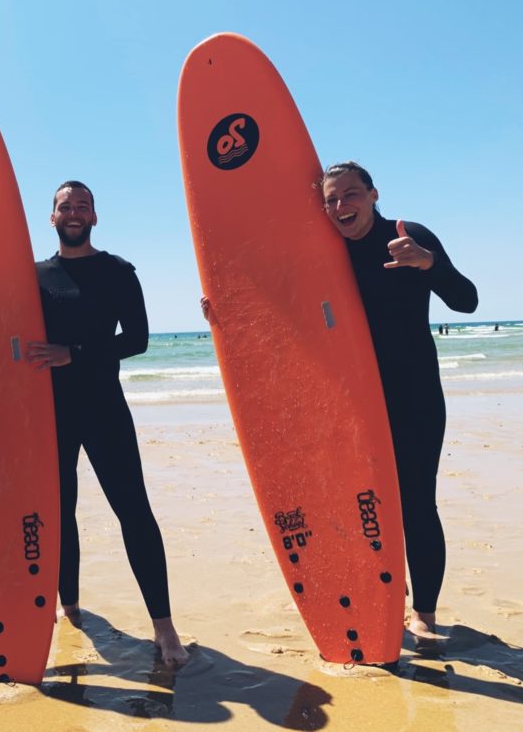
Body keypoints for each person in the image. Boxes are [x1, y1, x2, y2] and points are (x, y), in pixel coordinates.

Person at [201, 161, 477, 642]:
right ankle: (379, 597)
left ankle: (425, 615)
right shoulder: (324, 252)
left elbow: (467, 301)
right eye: (330, 200)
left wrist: (427, 263)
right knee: (360, 505)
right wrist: (225, 313)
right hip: (350, 403)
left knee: (415, 504)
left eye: (350, 194)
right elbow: (283, 315)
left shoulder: (406, 235)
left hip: (414, 396)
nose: (340, 206)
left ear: (373, 194)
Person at [25, 180, 189, 668]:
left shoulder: (118, 271)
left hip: (103, 406)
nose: (73, 212)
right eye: (64, 206)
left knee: (133, 510)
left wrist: (71, 354)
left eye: (82, 206)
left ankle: (165, 627)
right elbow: (2, 330)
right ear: (51, 217)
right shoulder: (31, 275)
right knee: (59, 512)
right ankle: (69, 606)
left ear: (94, 216)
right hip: (49, 412)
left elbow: (137, 339)